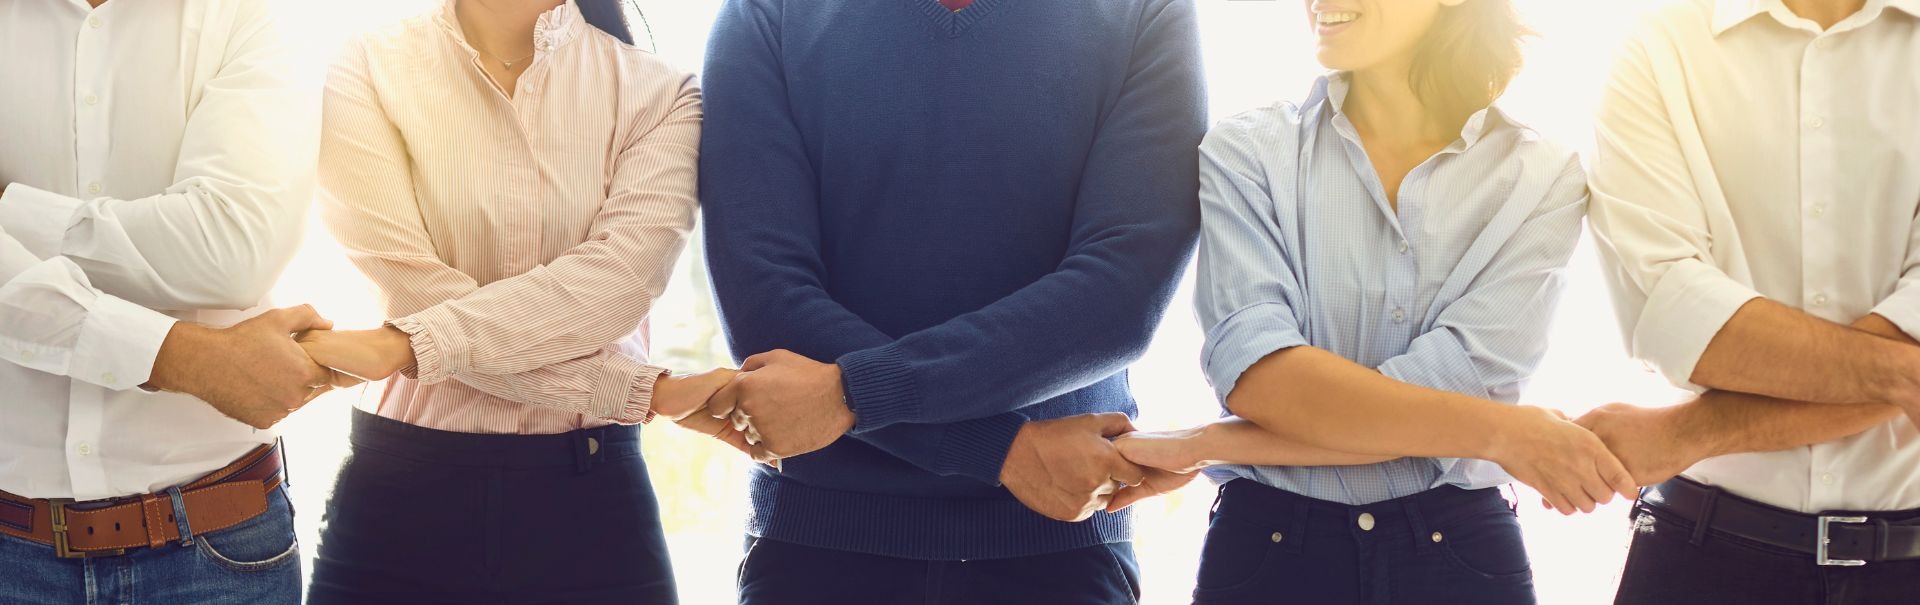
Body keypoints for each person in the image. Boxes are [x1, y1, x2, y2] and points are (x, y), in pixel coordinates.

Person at [1109, 1, 1637, 603]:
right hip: (1268, 553)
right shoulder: (1247, 152)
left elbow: (1455, 396)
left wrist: (1209, 442)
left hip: (1459, 555)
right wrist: (1503, 433)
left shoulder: (1541, 177)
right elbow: (1264, 382)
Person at [697, 0, 1206, 602]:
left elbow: (1121, 295)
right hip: (819, 545)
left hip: (1059, 548)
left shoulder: (1146, 12)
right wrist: (1000, 453)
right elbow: (767, 303)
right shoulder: (769, 12)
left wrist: (855, 391)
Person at [296, 1, 740, 603]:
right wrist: (639, 390)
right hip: (396, 501)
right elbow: (408, 287)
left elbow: (612, 290)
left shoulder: (659, 91)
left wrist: (405, 344)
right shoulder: (369, 62)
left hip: (592, 508)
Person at [1577, 0, 1920, 602]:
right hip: (1703, 557)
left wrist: (1691, 433)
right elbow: (1675, 315)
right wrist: (1902, 374)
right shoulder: (1660, 44)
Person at [0, 0, 330, 602]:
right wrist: (176, 356)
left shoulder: (252, 14)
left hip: (218, 544)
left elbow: (233, 249)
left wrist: (10, 213)